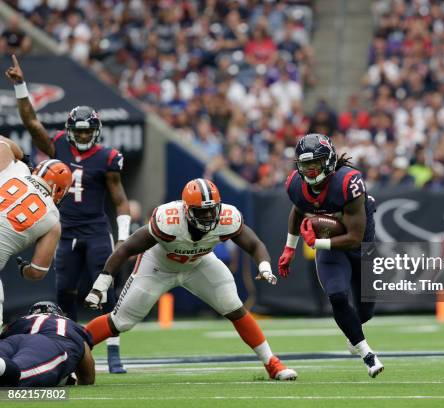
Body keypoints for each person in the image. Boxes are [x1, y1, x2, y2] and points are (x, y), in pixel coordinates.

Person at [83, 178, 297, 381]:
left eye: (212, 210)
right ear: (186, 210)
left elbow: (254, 244)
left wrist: (264, 266)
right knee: (121, 321)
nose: (208, 216)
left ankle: (272, 363)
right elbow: (127, 248)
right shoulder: (168, 220)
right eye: (201, 212)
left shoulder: (227, 217)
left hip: (199, 263)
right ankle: (74, 346)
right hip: (158, 266)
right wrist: (101, 284)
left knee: (234, 306)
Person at [5, 54, 130, 373]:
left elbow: (120, 199)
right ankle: (71, 347)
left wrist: (124, 239)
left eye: (89, 132)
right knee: (64, 292)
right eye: (80, 131)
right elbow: (32, 123)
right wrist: (21, 88)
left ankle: (113, 350)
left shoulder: (107, 157)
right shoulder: (58, 146)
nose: (84, 136)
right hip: (66, 229)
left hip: (95, 229)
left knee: (105, 290)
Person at [279, 133, 383, 378]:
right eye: (304, 165)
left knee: (366, 311)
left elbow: (355, 237)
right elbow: (297, 210)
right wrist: (289, 248)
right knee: (336, 295)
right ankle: (367, 354)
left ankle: (354, 329)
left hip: (360, 246)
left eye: (314, 163)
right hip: (331, 249)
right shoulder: (296, 183)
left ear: (328, 161)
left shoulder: (349, 182)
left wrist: (319, 242)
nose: (310, 170)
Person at [0, 134, 71, 326]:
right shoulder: (53, 220)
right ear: (60, 191)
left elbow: (3, 143)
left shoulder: (18, 170)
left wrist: (22, 156)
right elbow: (37, 272)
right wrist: (24, 269)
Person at [0, 301, 95, 387]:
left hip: (13, 340)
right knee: (18, 375)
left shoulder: (21, 320)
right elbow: (87, 378)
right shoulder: (71, 325)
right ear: (59, 314)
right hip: (47, 345)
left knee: (5, 367)